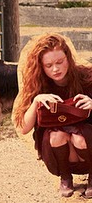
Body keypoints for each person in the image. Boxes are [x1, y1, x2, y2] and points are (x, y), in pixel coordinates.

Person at [13, 33, 92, 198]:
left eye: (59, 62)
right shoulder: (37, 84)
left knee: (79, 137)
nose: (55, 69)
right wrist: (36, 102)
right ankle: (65, 178)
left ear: (68, 59)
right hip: (57, 153)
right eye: (48, 65)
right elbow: (23, 128)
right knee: (56, 135)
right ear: (41, 66)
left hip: (87, 145)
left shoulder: (87, 76)